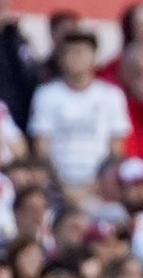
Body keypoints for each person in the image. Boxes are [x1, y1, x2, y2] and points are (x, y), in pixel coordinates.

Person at [28, 30, 130, 194]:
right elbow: (41, 148)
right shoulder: (46, 95)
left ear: (93, 57)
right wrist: (62, 188)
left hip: (99, 187)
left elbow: (117, 149)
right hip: (57, 187)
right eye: (69, 53)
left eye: (80, 52)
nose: (74, 58)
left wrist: (96, 186)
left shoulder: (111, 95)